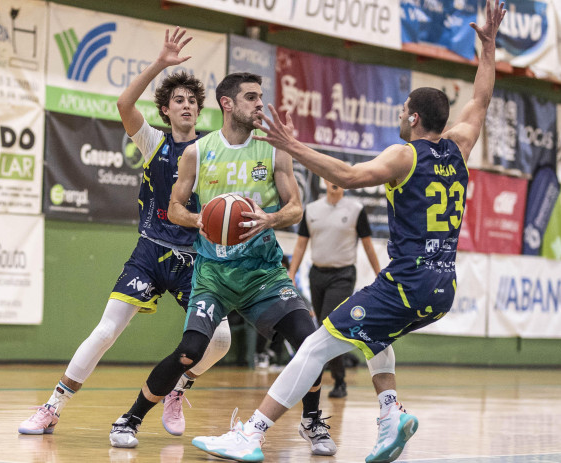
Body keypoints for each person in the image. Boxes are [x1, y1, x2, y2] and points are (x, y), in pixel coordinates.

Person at [191, 2, 506, 462]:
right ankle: (389, 413)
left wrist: (292, 145)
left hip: (408, 282)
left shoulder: (406, 155)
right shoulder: (460, 144)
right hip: (443, 286)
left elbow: (350, 174)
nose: (401, 115)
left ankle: (251, 435)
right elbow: (481, 99)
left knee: (316, 346)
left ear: (414, 118)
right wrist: (490, 49)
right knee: (375, 336)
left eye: (404, 110)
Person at [109, 72, 337, 457]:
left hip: (263, 273)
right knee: (189, 351)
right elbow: (175, 207)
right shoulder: (198, 152)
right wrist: (200, 220)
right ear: (227, 104)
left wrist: (271, 218)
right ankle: (130, 417)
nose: (260, 104)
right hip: (213, 273)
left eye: (261, 97)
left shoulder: (273, 149)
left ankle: (312, 421)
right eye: (251, 97)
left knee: (310, 341)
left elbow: (295, 206)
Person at [18, 28, 231, 438]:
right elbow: (123, 103)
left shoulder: (212, 150)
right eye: (178, 101)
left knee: (219, 339)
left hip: (195, 260)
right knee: (106, 330)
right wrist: (161, 63)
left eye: (191, 101)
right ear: (166, 112)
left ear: (199, 111)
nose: (186, 105)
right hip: (151, 253)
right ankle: (52, 407)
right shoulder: (154, 142)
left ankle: (176, 387)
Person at [288, 178, 381, 397]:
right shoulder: (311, 210)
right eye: (329, 178)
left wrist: (379, 274)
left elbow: (367, 244)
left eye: (338, 179)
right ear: (323, 182)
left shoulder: (356, 210)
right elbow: (301, 244)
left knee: (329, 325)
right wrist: (291, 273)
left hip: (343, 275)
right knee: (323, 328)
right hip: (317, 274)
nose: (334, 182)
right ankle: (335, 378)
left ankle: (333, 380)